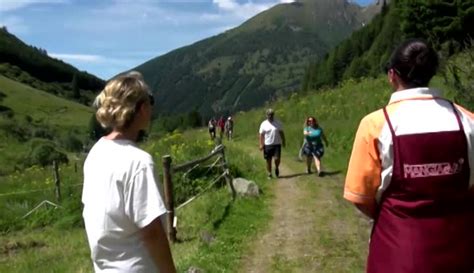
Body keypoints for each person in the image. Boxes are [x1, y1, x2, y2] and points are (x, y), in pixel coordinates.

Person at [344, 39, 474, 273]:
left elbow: (360, 196)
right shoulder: (467, 120)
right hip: (459, 251)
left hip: (397, 254)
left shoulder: (375, 124)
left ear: (392, 75)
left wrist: (392, 216)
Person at [82, 71, 176, 273]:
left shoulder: (95, 153)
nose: (152, 107)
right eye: (150, 101)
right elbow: (152, 232)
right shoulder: (139, 162)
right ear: (141, 109)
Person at [259, 108, 285, 179]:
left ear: (273, 115)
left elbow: (281, 132)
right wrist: (261, 144)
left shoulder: (278, 123)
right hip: (268, 144)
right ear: (266, 115)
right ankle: (269, 173)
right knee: (268, 160)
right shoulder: (263, 124)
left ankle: (276, 167)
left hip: (277, 144)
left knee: (277, 159)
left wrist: (283, 141)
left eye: (271, 114)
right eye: (269, 115)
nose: (270, 116)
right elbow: (261, 135)